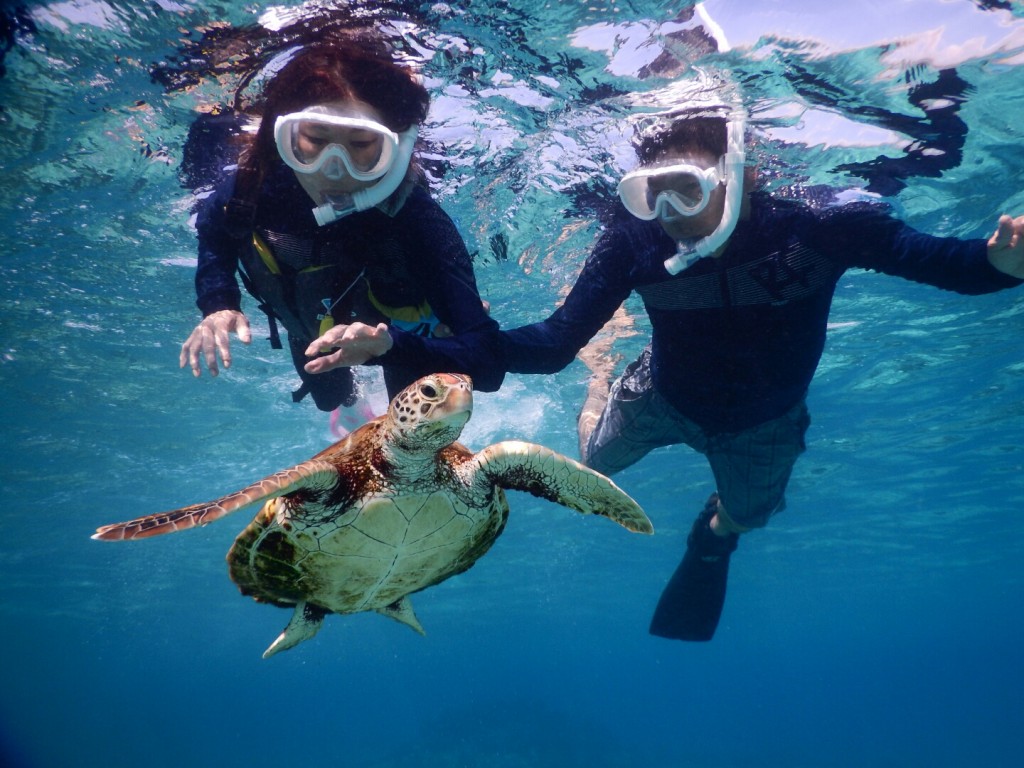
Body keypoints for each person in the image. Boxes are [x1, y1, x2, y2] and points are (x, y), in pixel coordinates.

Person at [301, 103, 1024, 641]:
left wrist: (1001, 263)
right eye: (652, 192)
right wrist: (396, 344)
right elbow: (549, 344)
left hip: (762, 423)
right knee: (590, 464)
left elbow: (943, 264)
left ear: (737, 173)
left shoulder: (820, 223)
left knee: (749, 515)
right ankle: (604, 379)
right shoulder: (634, 241)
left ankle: (716, 534)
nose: (669, 215)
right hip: (658, 395)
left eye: (684, 186)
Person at [179, 30, 503, 415]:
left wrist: (401, 345)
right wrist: (218, 303)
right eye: (315, 139)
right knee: (330, 400)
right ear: (286, 138)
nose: (333, 170)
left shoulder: (416, 217)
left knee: (416, 412)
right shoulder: (255, 185)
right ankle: (357, 410)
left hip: (394, 330)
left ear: (395, 149)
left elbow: (488, 367)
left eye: (362, 146)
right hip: (312, 318)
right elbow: (214, 232)